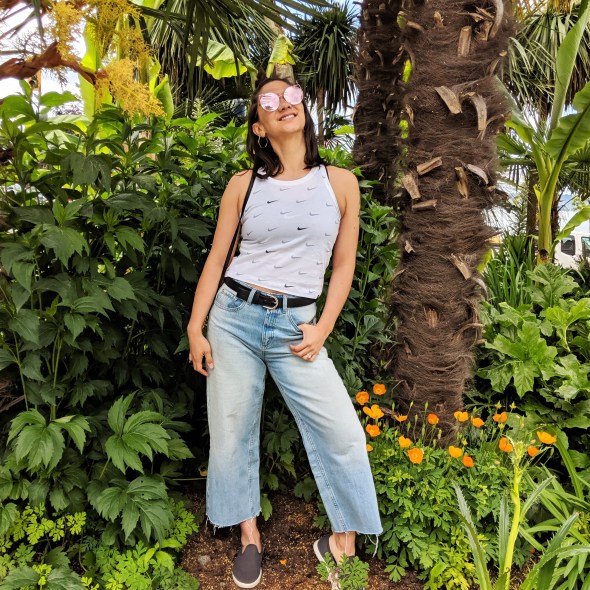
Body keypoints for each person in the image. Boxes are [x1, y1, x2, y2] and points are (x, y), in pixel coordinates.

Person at [187, 75, 382, 589]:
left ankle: (340, 543)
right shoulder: (243, 185)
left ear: (305, 110)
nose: (283, 103)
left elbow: (344, 265)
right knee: (231, 431)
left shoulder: (340, 183)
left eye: (292, 95)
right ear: (259, 126)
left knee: (343, 432)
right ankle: (249, 536)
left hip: (299, 326)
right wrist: (195, 326)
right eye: (269, 101)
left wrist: (323, 327)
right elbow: (218, 258)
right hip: (234, 317)